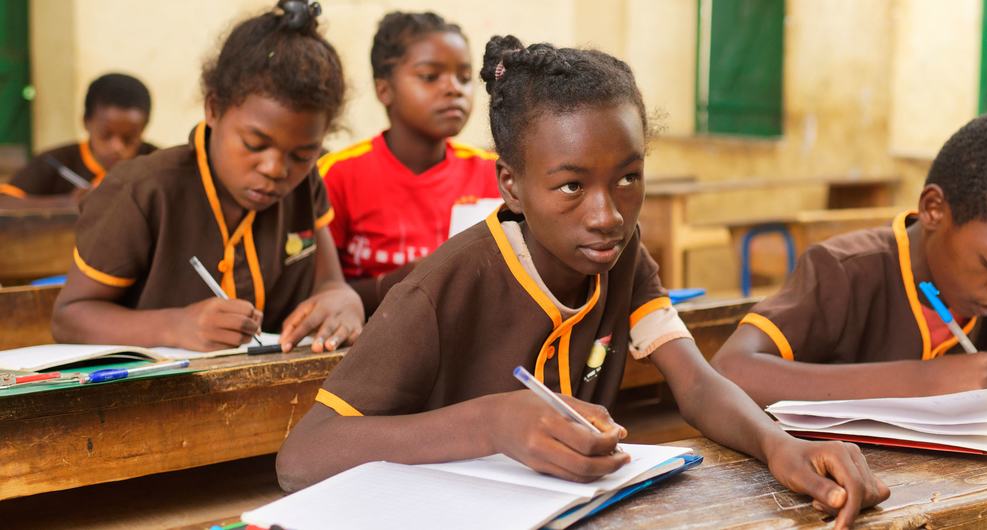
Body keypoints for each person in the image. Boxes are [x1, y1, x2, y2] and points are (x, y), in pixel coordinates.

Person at [277, 36, 889, 528]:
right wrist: (491, 424)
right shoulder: (440, 290)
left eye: (628, 178)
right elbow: (301, 457)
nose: (608, 214)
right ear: (511, 184)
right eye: (572, 186)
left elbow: (696, 382)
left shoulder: (621, 256)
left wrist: (778, 446)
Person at [52, 0, 362, 353]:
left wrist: (344, 300)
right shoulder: (141, 190)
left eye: (302, 154)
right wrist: (174, 326)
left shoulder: (305, 184)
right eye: (254, 143)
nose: (276, 169)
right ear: (213, 108)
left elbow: (329, 283)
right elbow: (69, 316)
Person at [712, 113, 987, 405]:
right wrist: (926, 379)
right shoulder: (843, 270)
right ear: (934, 209)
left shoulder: (978, 299)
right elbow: (730, 370)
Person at [319, 11, 498, 313]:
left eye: (465, 78)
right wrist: (402, 281)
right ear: (384, 89)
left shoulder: (492, 173)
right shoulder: (338, 174)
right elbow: (318, 290)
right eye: (430, 76)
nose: (454, 88)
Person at [0, 73, 156, 200]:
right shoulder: (54, 161)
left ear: (144, 128)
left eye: (129, 139)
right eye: (106, 135)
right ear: (86, 122)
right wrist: (66, 204)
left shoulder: (158, 164)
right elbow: (6, 204)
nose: (117, 147)